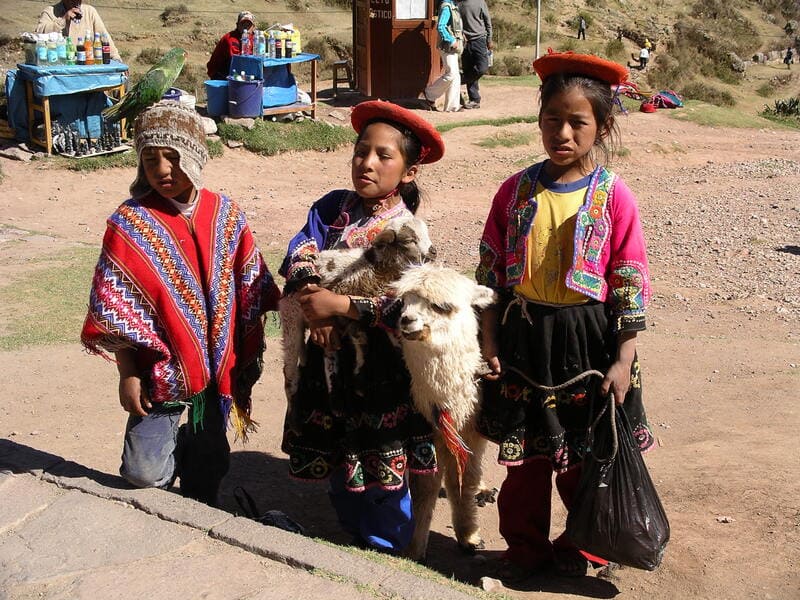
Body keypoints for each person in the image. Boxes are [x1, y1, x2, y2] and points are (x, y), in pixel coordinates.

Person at [476, 51, 655, 581]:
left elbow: (628, 281)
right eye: (552, 119)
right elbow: (490, 276)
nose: (563, 133)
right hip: (523, 340)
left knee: (586, 456)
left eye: (578, 122)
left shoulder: (614, 196)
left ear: (602, 127)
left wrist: (624, 359)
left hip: (589, 343)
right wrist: (488, 345)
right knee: (524, 464)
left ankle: (586, 545)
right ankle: (524, 550)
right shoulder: (514, 191)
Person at [81, 101, 280, 507]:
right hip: (159, 372)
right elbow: (116, 310)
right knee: (145, 474)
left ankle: (196, 462)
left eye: (173, 157)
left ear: (195, 155)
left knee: (206, 477)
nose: (163, 169)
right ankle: (170, 453)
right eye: (150, 158)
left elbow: (250, 283)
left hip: (216, 371)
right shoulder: (130, 224)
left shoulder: (226, 215)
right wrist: (128, 374)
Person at [279, 100, 445, 555]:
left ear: (410, 171)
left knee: (381, 464)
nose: (367, 163)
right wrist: (314, 301)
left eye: (383, 156)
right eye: (360, 151)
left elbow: (407, 309)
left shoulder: (409, 233)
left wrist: (340, 306)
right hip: (324, 363)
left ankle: (388, 547)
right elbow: (300, 249)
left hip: (380, 375)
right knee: (337, 457)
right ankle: (355, 533)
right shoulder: (331, 208)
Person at [36, 0, 120, 61]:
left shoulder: (90, 11)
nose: (76, 2)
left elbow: (104, 36)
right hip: (59, 64)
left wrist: (116, 57)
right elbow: (39, 34)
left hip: (86, 63)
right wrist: (63, 20)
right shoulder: (50, 11)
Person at [423, 0, 463, 112]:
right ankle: (430, 94)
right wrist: (451, 40)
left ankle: (452, 107)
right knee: (451, 73)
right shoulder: (447, 7)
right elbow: (441, 26)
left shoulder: (454, 5)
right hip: (447, 47)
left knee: (455, 76)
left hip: (453, 47)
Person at [458, 0, 493, 109]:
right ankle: (474, 99)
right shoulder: (459, 4)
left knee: (482, 68)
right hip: (465, 42)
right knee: (468, 69)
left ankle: (459, 80)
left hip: (480, 40)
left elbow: (488, 21)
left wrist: (489, 39)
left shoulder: (480, 2)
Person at [207, 11, 256, 80]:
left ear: (253, 27)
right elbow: (237, 60)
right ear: (237, 25)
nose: (246, 27)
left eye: (249, 24)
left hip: (238, 72)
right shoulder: (230, 39)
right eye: (243, 23)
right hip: (221, 74)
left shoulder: (255, 38)